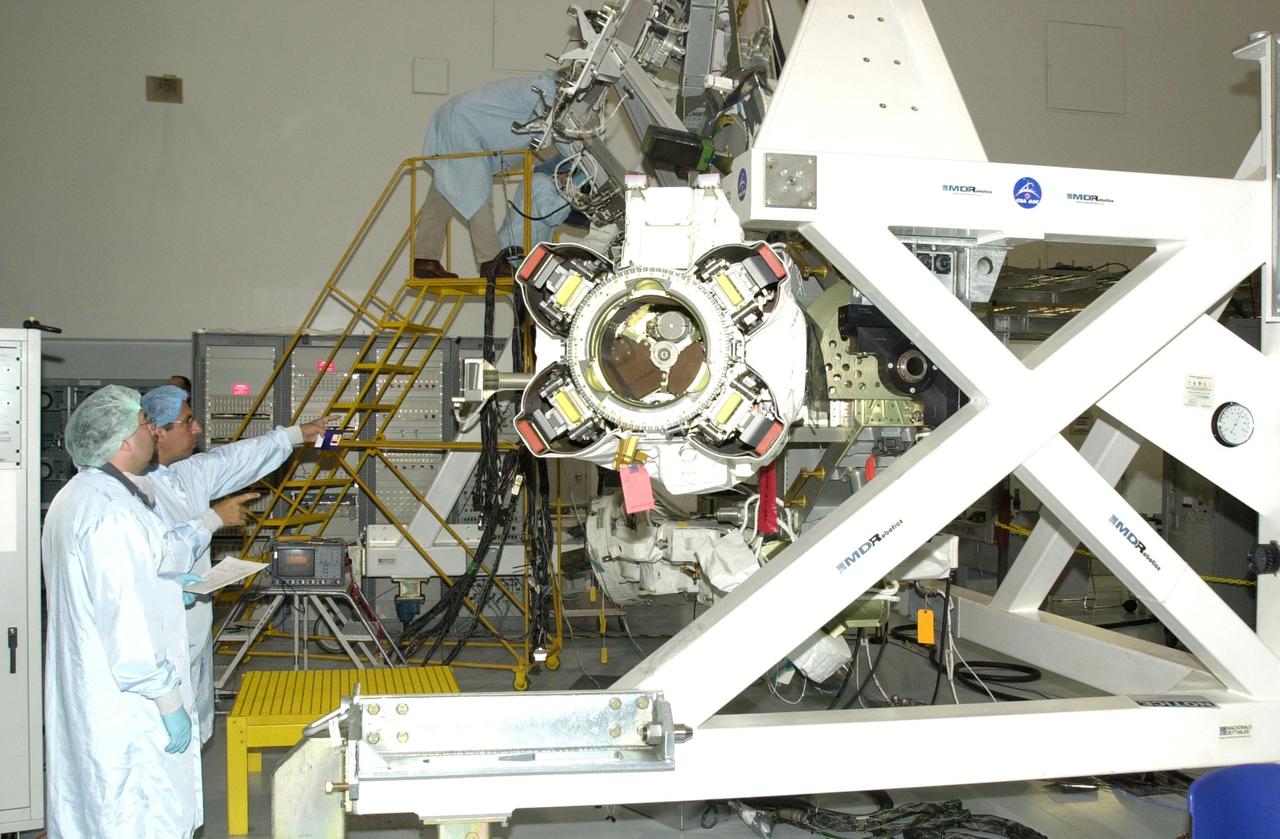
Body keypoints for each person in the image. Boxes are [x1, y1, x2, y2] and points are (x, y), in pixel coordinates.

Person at [42, 385, 208, 837]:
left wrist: (170, 590)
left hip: (100, 697)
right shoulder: (109, 511)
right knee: (134, 815)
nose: (152, 430)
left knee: (96, 813)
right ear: (122, 441)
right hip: (131, 707)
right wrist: (168, 700)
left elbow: (114, 588)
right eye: (143, 423)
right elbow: (127, 621)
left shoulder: (81, 496)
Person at [140, 384, 337, 746]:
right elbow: (154, 557)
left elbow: (235, 458)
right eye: (188, 422)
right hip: (157, 637)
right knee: (157, 743)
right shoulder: (135, 489)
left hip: (192, 626)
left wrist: (299, 434)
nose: (197, 428)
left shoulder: (183, 474)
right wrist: (213, 519)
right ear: (158, 431)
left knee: (192, 726)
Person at [413, 71, 561, 280]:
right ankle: (490, 261)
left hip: (457, 119)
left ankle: (424, 259)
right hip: (464, 125)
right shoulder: (545, 92)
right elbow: (563, 136)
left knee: (443, 192)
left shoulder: (537, 89)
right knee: (477, 193)